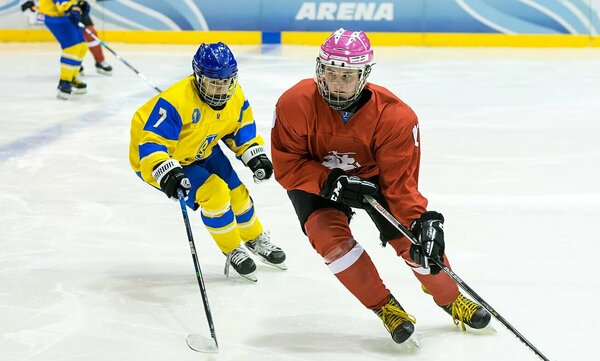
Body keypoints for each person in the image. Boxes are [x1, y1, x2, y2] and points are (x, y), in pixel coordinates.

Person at [270, 28, 491, 344]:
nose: (336, 83)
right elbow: (287, 166)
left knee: (414, 240)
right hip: (315, 178)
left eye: (347, 76)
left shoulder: (395, 118)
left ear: (364, 75)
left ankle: (450, 297)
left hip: (373, 180)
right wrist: (327, 181)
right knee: (327, 236)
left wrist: (421, 221)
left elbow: (401, 187)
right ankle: (385, 307)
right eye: (331, 73)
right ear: (319, 69)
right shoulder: (294, 103)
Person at [129, 42, 286, 282]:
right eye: (214, 82)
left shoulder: (235, 95)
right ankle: (232, 248)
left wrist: (253, 154)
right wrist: (166, 170)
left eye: (226, 82)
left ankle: (254, 237)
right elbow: (151, 142)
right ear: (198, 77)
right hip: (159, 157)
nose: (221, 89)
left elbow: (239, 128)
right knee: (216, 194)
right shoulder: (174, 102)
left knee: (237, 193)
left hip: (201, 147)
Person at [22, 1, 112, 75]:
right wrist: (30, 4)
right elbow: (26, 7)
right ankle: (74, 64)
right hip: (54, 10)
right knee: (69, 39)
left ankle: (100, 61)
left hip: (71, 5)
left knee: (90, 32)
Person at [38, 0, 88, 99]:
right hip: (54, 16)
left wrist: (80, 5)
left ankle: (72, 77)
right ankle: (64, 82)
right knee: (72, 47)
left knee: (82, 46)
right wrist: (71, 7)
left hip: (65, 14)